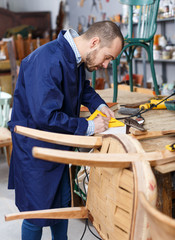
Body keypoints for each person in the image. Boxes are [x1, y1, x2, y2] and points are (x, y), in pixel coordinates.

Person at [8, 20, 124, 240]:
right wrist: (89, 126)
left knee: (61, 210)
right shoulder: (46, 60)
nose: (107, 65)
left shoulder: (75, 58)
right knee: (37, 214)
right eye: (108, 57)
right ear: (95, 42)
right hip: (36, 149)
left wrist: (97, 104)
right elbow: (46, 116)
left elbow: (81, 88)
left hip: (58, 145)